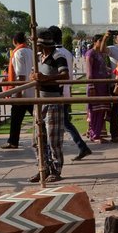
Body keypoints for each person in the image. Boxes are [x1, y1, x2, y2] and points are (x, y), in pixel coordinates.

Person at [29, 30, 70, 183]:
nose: (36, 47)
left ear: (44, 45)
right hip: (39, 102)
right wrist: (34, 77)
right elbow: (34, 74)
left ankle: (56, 169)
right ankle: (42, 167)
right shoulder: (39, 57)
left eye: (37, 45)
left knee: (53, 138)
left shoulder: (58, 56)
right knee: (37, 138)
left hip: (53, 101)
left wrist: (46, 78)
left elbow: (65, 75)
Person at [49, 26, 92, 161]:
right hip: (66, 91)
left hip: (57, 94)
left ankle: (80, 147)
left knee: (60, 124)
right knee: (65, 123)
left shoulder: (54, 53)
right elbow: (70, 77)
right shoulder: (67, 52)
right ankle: (80, 147)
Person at [0, 32, 35, 149]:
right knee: (36, 117)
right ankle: (42, 138)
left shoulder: (18, 53)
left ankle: (13, 141)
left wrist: (19, 92)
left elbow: (21, 75)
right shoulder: (30, 51)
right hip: (32, 90)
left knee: (16, 118)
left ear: (14, 41)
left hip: (22, 91)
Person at [85, 33, 111, 143]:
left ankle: (97, 134)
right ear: (95, 42)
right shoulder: (90, 53)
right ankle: (94, 135)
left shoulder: (99, 54)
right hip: (94, 86)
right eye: (100, 41)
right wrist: (91, 85)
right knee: (94, 111)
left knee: (101, 111)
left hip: (102, 87)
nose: (102, 44)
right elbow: (89, 72)